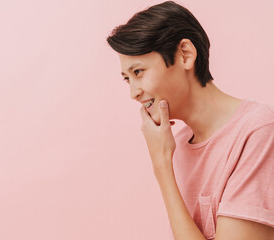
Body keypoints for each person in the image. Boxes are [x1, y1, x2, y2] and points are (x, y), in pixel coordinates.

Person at [106, 1, 274, 239]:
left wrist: (162, 166)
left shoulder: (258, 131)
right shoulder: (179, 143)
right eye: (127, 79)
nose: (133, 92)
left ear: (185, 54)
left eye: (138, 72)